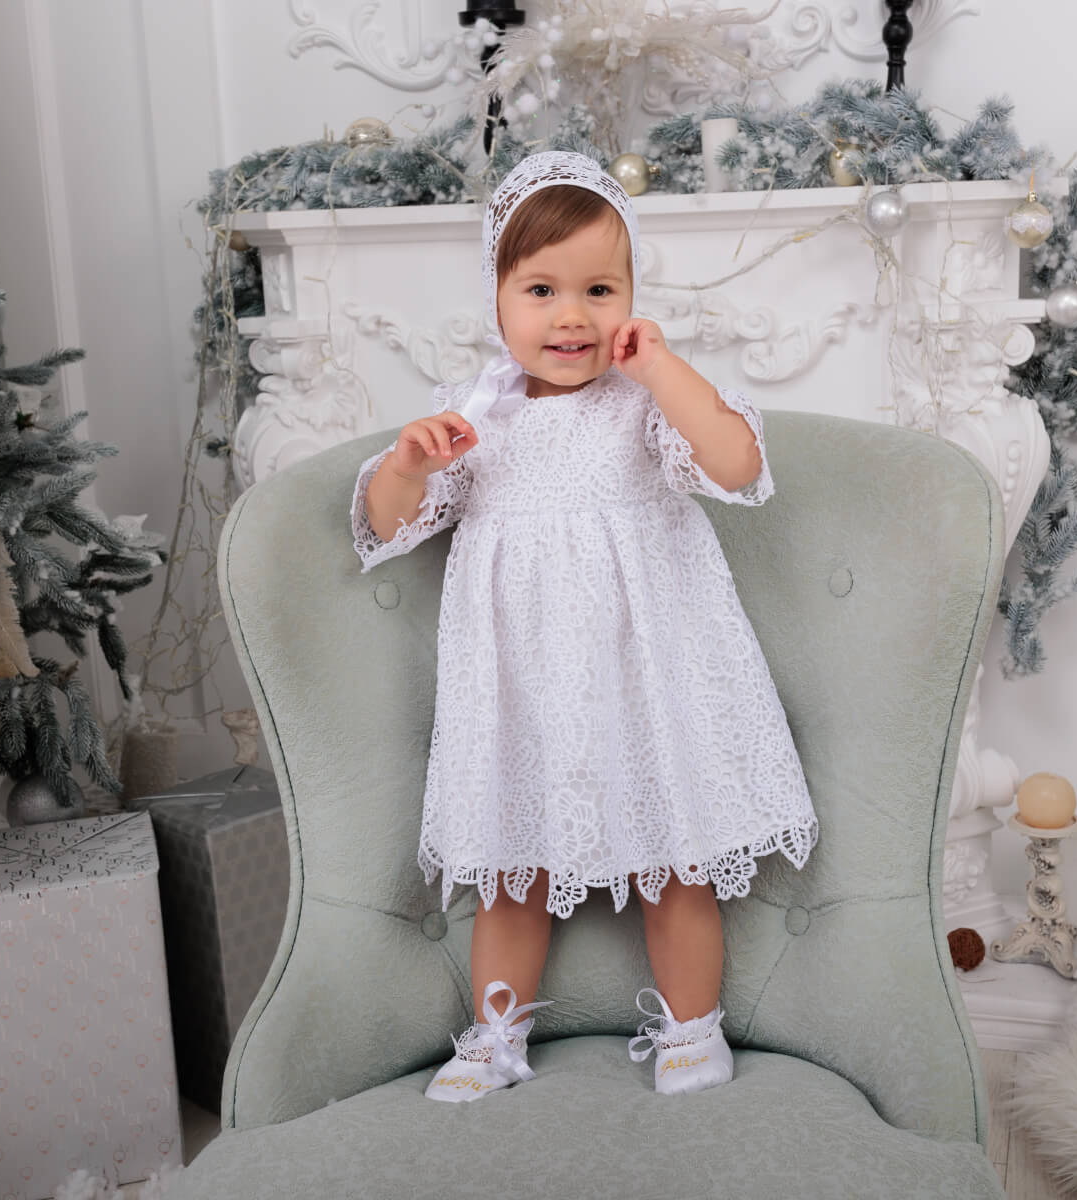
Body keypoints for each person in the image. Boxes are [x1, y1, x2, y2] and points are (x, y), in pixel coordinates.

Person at [350, 151, 817, 1102]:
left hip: (645, 681)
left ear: (635, 298)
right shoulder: (477, 419)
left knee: (676, 862)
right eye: (541, 289)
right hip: (524, 693)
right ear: (498, 300)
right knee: (511, 874)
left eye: (600, 289)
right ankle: (495, 1034)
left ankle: (693, 1029)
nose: (571, 315)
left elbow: (734, 462)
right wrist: (407, 461)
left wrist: (665, 369)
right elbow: (388, 526)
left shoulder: (644, 405)